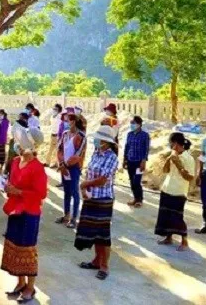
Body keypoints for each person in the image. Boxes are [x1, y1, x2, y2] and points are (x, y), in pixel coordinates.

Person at [1, 128, 47, 304]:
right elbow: (12, 183)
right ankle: (20, 283)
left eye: (22, 144)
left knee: (27, 250)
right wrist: (7, 187)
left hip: (29, 212)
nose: (18, 146)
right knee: (14, 246)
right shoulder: (15, 162)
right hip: (14, 209)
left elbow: (41, 194)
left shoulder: (37, 168)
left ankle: (30, 287)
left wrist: (19, 192)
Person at [75, 125, 119, 281]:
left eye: (98, 139)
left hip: (103, 200)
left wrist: (84, 185)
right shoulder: (96, 153)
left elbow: (102, 180)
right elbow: (89, 173)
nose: (96, 141)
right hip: (91, 198)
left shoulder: (112, 157)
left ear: (105, 142)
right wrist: (84, 189)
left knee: (103, 235)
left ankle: (104, 266)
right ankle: (96, 261)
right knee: (93, 232)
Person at [156, 133, 195, 251]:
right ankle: (168, 238)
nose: (170, 146)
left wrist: (178, 164)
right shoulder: (173, 155)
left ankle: (184, 240)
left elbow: (190, 177)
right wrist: (169, 160)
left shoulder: (188, 158)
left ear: (176, 144)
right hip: (167, 188)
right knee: (165, 216)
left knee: (177, 217)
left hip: (178, 191)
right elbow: (165, 170)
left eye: (171, 144)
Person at [56, 114, 87, 228]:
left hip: (74, 168)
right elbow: (59, 149)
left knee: (74, 192)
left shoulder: (81, 136)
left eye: (67, 121)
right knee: (67, 192)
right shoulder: (65, 134)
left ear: (73, 122)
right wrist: (61, 164)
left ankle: (74, 218)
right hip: (64, 167)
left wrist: (66, 165)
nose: (66, 123)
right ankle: (66, 215)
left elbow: (78, 154)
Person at [123, 116, 150, 208]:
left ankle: (139, 200)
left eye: (133, 123)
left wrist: (144, 161)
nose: (131, 124)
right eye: (131, 123)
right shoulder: (129, 134)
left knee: (136, 181)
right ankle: (135, 198)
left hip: (139, 162)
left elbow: (146, 149)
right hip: (130, 161)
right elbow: (127, 147)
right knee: (131, 181)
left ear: (139, 124)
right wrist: (124, 159)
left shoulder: (145, 135)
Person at [46, 104, 63, 168]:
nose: (54, 110)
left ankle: (57, 164)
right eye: (53, 109)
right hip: (52, 135)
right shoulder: (52, 116)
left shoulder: (60, 117)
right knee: (50, 150)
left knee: (57, 151)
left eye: (56, 109)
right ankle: (47, 163)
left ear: (59, 111)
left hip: (57, 136)